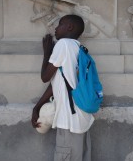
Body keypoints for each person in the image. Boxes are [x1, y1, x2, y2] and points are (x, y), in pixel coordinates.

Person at [31, 14, 94, 161]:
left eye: (60, 24)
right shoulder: (79, 48)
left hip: (69, 123)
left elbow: (45, 77)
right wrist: (37, 107)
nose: (56, 28)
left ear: (69, 27)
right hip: (81, 119)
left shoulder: (63, 44)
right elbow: (58, 83)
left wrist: (47, 52)